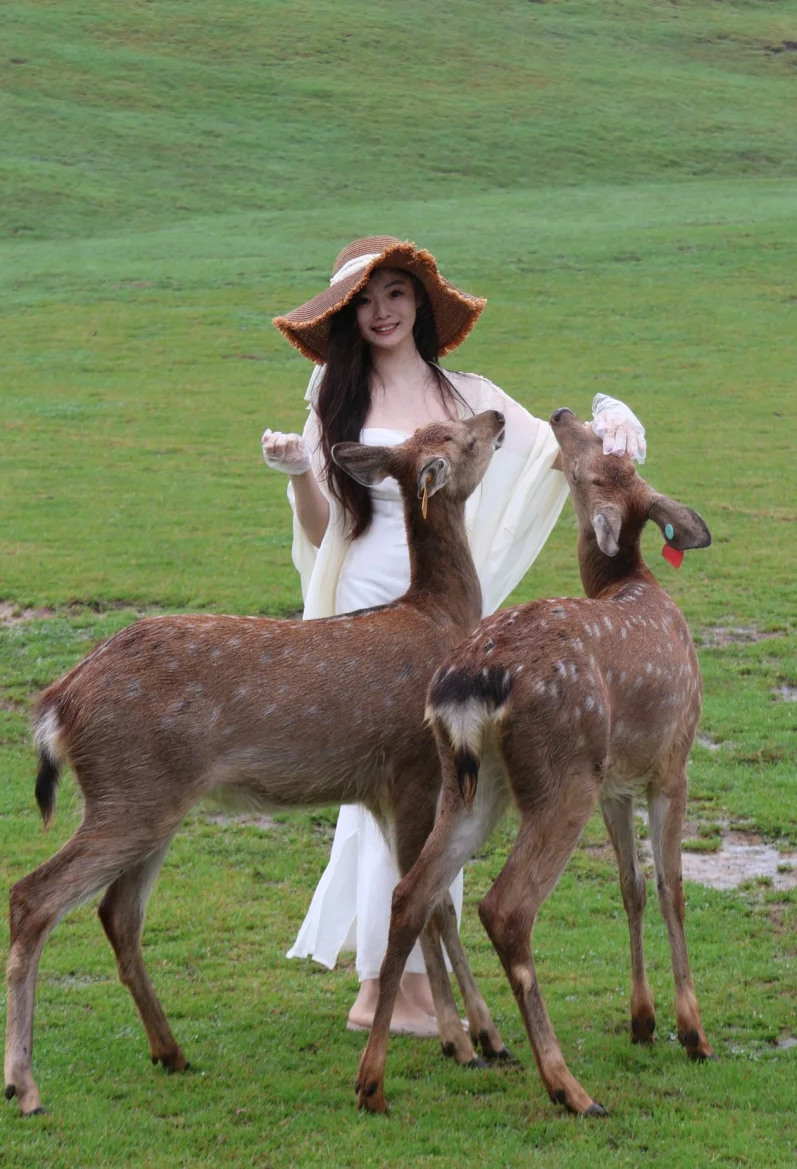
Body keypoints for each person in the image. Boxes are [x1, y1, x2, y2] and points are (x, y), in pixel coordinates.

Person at [262, 235, 646, 1037]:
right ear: (344, 317)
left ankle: (410, 983)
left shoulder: (463, 390)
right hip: (369, 602)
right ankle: (384, 988)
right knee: (400, 788)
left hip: (445, 607)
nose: (381, 312)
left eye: (395, 294)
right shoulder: (336, 399)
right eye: (364, 302)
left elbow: (545, 447)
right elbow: (326, 525)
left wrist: (609, 419)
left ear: (420, 304)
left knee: (440, 783)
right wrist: (300, 468)